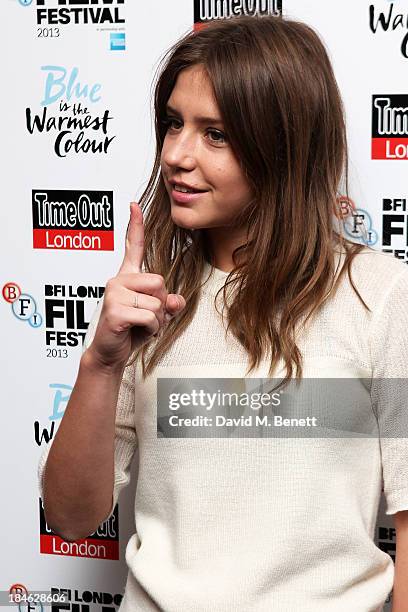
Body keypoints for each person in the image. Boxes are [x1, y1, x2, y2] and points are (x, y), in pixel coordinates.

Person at [37, 13, 408, 612]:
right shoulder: (147, 296)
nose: (177, 155)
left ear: (283, 146)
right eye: (173, 124)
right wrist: (101, 366)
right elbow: (71, 518)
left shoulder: (380, 294)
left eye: (216, 134)